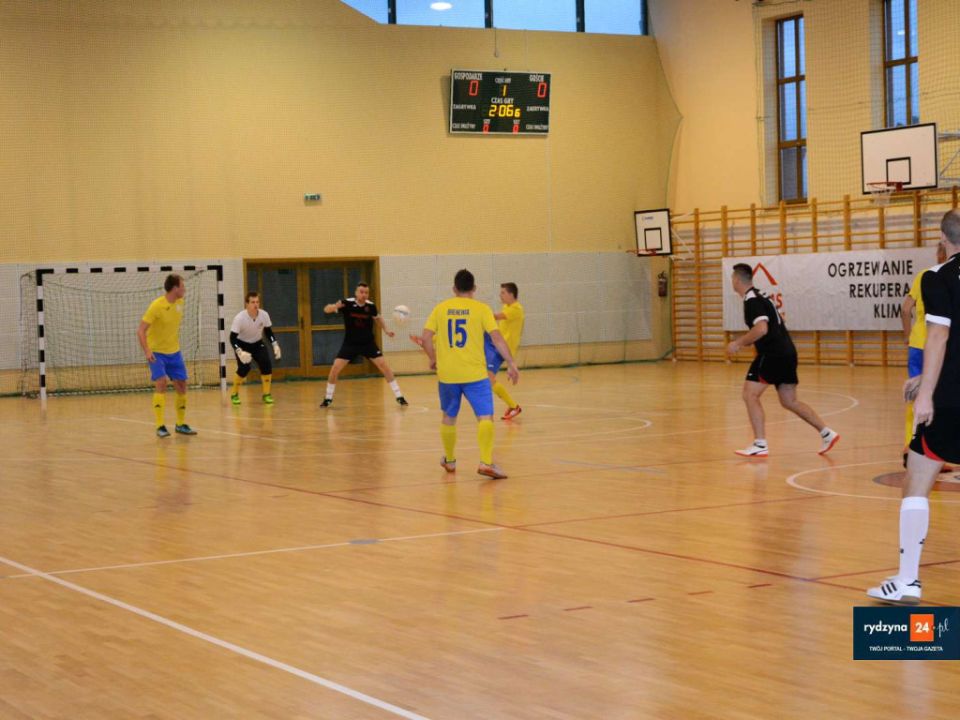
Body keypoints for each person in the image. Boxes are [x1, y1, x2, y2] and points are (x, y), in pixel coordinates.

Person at [868, 210, 960, 604]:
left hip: (951, 398)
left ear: (943, 238)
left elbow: (939, 336)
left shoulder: (937, 277)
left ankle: (907, 579)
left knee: (918, 479)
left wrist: (926, 392)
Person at [726, 263, 839, 457]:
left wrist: (738, 343)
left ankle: (760, 444)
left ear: (736, 280)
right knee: (789, 401)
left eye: (732, 279)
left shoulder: (752, 300)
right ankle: (827, 433)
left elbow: (762, 328)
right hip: (787, 353)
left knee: (750, 395)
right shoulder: (761, 296)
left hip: (772, 355)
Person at [416, 269, 519, 479]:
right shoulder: (482, 309)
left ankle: (450, 460)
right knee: (485, 417)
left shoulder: (441, 308)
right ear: (474, 288)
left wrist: (433, 358)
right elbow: (497, 338)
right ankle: (486, 462)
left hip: (448, 375)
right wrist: (511, 363)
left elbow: (425, 338)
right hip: (475, 374)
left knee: (449, 417)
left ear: (454, 289)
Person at [320, 282, 407, 407]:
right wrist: (334, 306)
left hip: (368, 343)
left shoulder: (371, 306)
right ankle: (328, 398)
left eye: (366, 292)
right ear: (356, 293)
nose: (364, 294)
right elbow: (326, 309)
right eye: (361, 292)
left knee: (384, 366)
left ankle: (399, 396)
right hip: (350, 343)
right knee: (335, 368)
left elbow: (378, 318)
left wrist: (386, 330)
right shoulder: (347, 303)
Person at [900, 242, 948, 459]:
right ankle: (934, 450)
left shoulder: (924, 276)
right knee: (940, 396)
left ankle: (910, 445)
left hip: (918, 343)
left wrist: (907, 335)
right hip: (938, 345)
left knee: (916, 395)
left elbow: (905, 308)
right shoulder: (950, 277)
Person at [137, 273, 197, 438]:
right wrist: (147, 350)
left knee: (182, 385)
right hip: (157, 352)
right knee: (161, 382)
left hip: (174, 352)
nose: (185, 289)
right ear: (175, 288)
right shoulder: (156, 306)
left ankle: (180, 424)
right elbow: (141, 330)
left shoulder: (180, 303)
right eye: (182, 286)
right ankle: (160, 426)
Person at [229, 291, 281, 405]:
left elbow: (268, 331)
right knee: (244, 369)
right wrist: (239, 351)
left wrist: (275, 344)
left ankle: (266, 394)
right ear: (247, 304)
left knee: (266, 364)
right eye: (252, 302)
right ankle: (234, 394)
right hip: (242, 345)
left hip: (257, 344)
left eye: (257, 302)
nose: (255, 305)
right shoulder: (239, 318)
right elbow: (232, 338)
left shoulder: (264, 315)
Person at [486, 282, 525, 420]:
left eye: (503, 293)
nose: (500, 295)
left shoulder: (516, 309)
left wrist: (476, 313)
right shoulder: (507, 307)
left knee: (488, 378)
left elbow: (495, 316)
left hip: (501, 350)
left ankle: (514, 406)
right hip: (494, 344)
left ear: (511, 294)